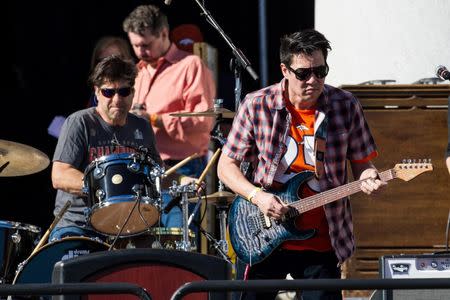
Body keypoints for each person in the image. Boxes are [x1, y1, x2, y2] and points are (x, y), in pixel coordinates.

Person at [217, 29, 387, 300]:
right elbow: (226, 167)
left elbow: (363, 165)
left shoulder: (345, 105)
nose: (313, 80)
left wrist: (370, 178)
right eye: (303, 73)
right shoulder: (257, 104)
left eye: (321, 71)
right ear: (284, 70)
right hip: (263, 235)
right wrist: (258, 197)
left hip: (321, 239)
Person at [122, 4, 216, 228]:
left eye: (145, 45)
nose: (140, 51)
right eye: (135, 45)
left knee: (177, 241)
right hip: (143, 170)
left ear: (164, 34)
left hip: (182, 168)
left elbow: (203, 121)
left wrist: (154, 119)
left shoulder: (190, 65)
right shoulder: (139, 72)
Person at [50, 56, 162, 241]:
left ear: (133, 93)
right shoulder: (79, 122)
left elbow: (157, 173)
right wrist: (106, 187)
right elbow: (59, 175)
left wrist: (185, 181)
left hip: (130, 226)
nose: (117, 99)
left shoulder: (142, 127)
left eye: (124, 91)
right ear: (97, 93)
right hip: (79, 226)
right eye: (109, 92)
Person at [86, 36, 134, 107]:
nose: (110, 65)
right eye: (103, 60)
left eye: (116, 59)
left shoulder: (138, 85)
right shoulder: (95, 93)